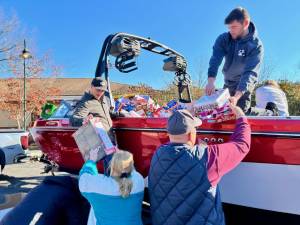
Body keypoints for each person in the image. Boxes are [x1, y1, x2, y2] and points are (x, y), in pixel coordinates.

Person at [148, 106, 251, 225]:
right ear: (192, 133)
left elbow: (178, 148)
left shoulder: (159, 153)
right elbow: (241, 145)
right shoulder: (208, 157)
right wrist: (240, 115)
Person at [206, 7, 264, 113]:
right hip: (228, 84)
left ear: (245, 24)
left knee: (240, 114)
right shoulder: (224, 39)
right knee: (222, 114)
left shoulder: (256, 46)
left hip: (243, 88)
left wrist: (236, 97)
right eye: (229, 27)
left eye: (234, 27)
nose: (231, 31)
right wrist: (211, 81)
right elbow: (215, 60)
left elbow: (250, 73)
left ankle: (263, 112)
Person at [79, 149, 145, 225]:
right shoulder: (139, 181)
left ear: (111, 166)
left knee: (94, 205)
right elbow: (133, 173)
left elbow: (84, 179)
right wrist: (122, 157)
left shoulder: (100, 186)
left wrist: (91, 161)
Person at [70, 77, 124, 143]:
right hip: (99, 142)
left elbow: (105, 112)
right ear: (92, 86)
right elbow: (74, 119)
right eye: (98, 90)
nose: (100, 93)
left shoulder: (103, 99)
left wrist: (118, 114)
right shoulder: (86, 103)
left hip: (110, 137)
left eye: (103, 90)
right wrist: (85, 120)